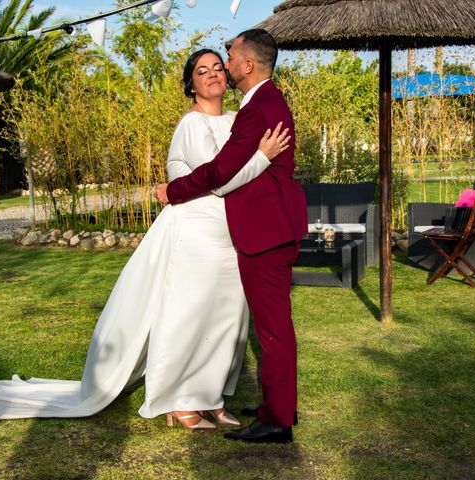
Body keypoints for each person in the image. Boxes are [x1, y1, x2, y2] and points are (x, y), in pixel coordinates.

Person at [0, 48, 290, 429]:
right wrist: (262, 158)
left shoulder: (239, 120)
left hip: (231, 234)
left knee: (226, 320)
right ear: (190, 85)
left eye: (219, 67)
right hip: (197, 232)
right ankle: (177, 400)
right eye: (202, 71)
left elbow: (232, 172)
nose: (213, 75)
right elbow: (219, 180)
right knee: (189, 316)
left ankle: (210, 396)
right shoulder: (191, 125)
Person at [154, 29, 308, 443]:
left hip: (265, 231)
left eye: (229, 55)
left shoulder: (257, 108)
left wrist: (172, 190)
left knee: (273, 331)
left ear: (247, 64)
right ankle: (274, 406)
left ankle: (277, 419)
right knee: (269, 327)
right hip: (258, 229)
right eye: (204, 69)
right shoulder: (261, 102)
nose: (225, 61)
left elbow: (220, 175)